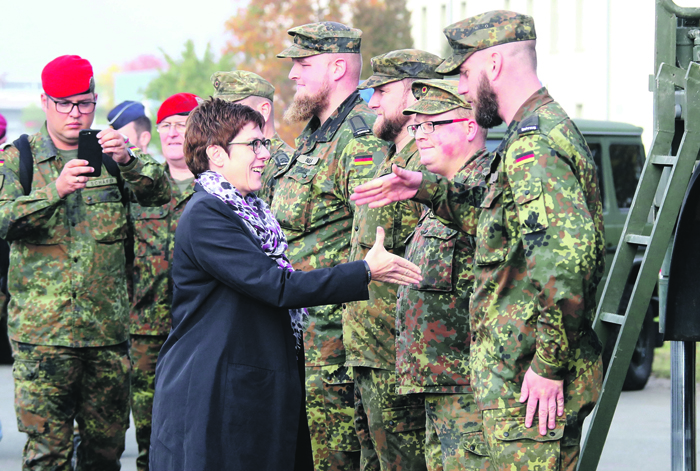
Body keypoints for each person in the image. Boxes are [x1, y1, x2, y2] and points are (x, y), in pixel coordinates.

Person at [351, 11, 605, 471]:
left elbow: (566, 265)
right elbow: (499, 231)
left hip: (527, 388)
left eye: (465, 74)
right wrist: (425, 188)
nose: (464, 91)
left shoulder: (535, 145)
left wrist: (549, 364)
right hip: (510, 382)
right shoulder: (529, 136)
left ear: (494, 64)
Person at [148, 98, 421, 471]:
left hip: (247, 384)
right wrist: (364, 271)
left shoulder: (248, 210)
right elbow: (276, 287)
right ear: (216, 154)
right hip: (215, 389)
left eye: (264, 143)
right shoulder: (207, 214)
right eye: (253, 145)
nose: (264, 154)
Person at [0, 55, 170, 470]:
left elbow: (160, 191)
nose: (76, 114)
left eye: (85, 103)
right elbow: (4, 219)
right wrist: (54, 190)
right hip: (43, 340)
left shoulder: (111, 155)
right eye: (64, 104)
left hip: (107, 338)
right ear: (44, 101)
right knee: (47, 457)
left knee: (104, 455)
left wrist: (129, 160)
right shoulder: (17, 158)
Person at [273, 21, 390, 471]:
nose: (293, 75)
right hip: (306, 333)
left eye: (303, 64)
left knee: (336, 462)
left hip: (336, 344)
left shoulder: (358, 138)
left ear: (338, 66)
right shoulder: (316, 133)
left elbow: (373, 239)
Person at [346, 49, 442, 471]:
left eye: (381, 90)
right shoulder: (390, 158)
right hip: (369, 348)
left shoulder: (427, 167)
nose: (371, 102)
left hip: (396, 355)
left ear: (415, 91)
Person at [396, 79, 491, 471]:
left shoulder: (486, 186)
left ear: (470, 127)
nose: (420, 135)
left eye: (432, 124)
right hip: (440, 390)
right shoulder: (439, 194)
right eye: (417, 126)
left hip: (471, 394)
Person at [128, 92, 201, 471]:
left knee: (197, 434)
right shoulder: (138, 190)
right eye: (166, 125)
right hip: (146, 332)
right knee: (149, 437)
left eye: (182, 123)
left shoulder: (215, 190)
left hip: (198, 331)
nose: (173, 133)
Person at [211, 70, 294, 204]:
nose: (221, 118)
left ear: (263, 111)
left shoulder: (287, 169)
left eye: (233, 109)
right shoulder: (221, 158)